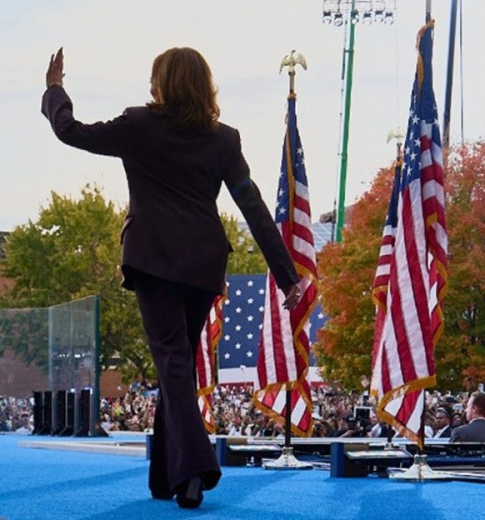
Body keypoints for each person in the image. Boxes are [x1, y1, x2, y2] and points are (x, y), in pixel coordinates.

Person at [42, 47, 301, 509]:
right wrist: (286, 276)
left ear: (163, 83)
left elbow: (70, 132)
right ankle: (166, 477)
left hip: (154, 261)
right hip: (203, 266)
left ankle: (197, 466)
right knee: (175, 365)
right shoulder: (224, 139)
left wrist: (55, 89)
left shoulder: (138, 125)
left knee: (174, 362)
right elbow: (252, 206)